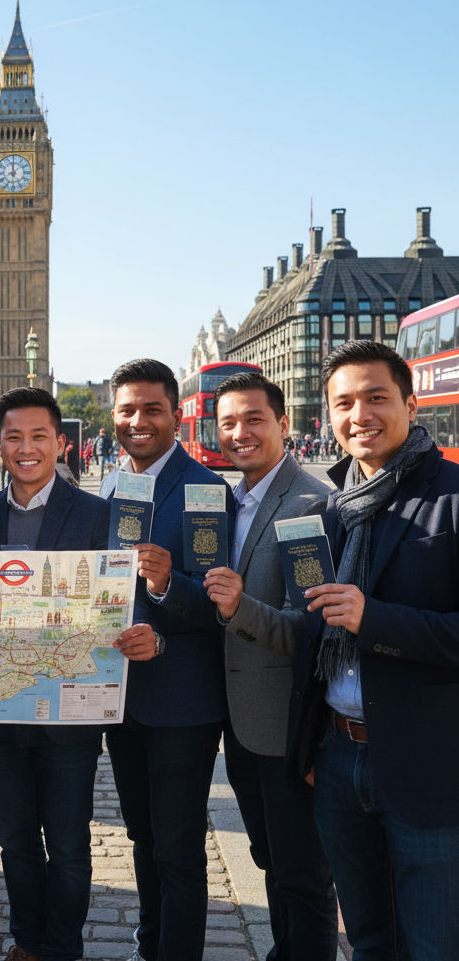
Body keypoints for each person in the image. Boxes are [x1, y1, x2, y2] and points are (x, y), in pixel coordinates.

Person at [219, 340, 459, 958]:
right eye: (344, 403)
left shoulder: (451, 499)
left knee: (432, 944)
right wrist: (238, 609)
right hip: (336, 758)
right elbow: (309, 635)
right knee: (370, 940)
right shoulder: (334, 510)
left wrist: (374, 618)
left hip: (425, 764)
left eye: (376, 398)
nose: (361, 416)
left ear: (410, 402)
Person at [0, 387, 157, 961]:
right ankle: (28, 943)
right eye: (15, 437)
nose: (27, 449)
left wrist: (145, 630)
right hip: (0, 715)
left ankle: (62, 949)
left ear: (60, 443)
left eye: (39, 437)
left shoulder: (98, 514)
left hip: (69, 717)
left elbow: (130, 596)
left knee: (70, 848)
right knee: (16, 845)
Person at [195, 372, 338, 961]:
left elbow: (315, 628)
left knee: (302, 875)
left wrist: (239, 606)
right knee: (269, 862)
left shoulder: (308, 505)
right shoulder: (232, 501)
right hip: (244, 724)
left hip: (285, 727)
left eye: (254, 419)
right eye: (228, 422)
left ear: (284, 424)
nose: (240, 433)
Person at [99, 358, 233, 961]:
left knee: (177, 847)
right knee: (141, 836)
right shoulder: (107, 484)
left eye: (152, 408)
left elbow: (216, 606)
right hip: (120, 698)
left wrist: (162, 586)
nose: (138, 421)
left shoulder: (204, 490)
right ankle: (149, 945)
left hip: (181, 702)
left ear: (176, 415)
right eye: (127, 409)